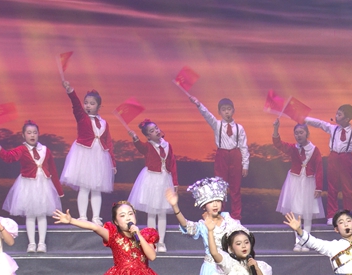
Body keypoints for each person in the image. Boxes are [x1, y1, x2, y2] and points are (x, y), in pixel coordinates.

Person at [0, 120, 64, 253]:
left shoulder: (45, 150)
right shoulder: (22, 149)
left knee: (42, 215)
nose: (32, 135)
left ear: (38, 134)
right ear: (23, 135)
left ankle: (42, 243)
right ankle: (32, 243)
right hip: (27, 185)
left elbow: (53, 170)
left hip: (43, 185)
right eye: (29, 133)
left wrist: (58, 191)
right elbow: (9, 157)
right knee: (30, 215)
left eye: (35, 133)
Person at [183, 93, 248, 220]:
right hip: (221, 156)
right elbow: (207, 115)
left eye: (229, 109)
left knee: (235, 188)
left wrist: (245, 165)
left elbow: (244, 146)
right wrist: (198, 104)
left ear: (233, 110)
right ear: (219, 112)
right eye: (223, 110)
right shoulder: (217, 125)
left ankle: (236, 217)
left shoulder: (239, 128)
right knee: (219, 187)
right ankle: (219, 215)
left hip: (235, 156)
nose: (227, 112)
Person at [59, 80, 115, 225]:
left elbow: (108, 143)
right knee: (84, 187)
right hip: (84, 155)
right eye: (86, 103)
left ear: (99, 106)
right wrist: (70, 91)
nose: (88, 105)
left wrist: (113, 163)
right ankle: (83, 216)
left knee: (96, 189)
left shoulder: (104, 123)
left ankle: (96, 217)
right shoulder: (82, 117)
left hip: (99, 157)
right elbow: (76, 106)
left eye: (92, 103)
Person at [305, 105, 352, 224]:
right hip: (333, 158)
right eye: (336, 114)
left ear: (347, 119)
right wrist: (305, 119)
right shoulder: (333, 129)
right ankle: (331, 215)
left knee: (347, 189)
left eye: (339, 115)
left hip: (346, 159)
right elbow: (320, 123)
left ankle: (348, 215)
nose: (336, 116)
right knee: (332, 188)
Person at [272, 117, 324, 251]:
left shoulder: (314, 149)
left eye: (301, 132)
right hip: (295, 182)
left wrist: (318, 187)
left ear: (307, 133)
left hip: (309, 182)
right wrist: (276, 128)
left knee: (308, 215)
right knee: (296, 214)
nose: (298, 135)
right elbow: (278, 144)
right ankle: (298, 242)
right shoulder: (293, 148)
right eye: (296, 133)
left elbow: (319, 169)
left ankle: (306, 242)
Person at [127, 119, 178, 252]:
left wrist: (175, 183)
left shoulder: (167, 145)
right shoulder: (148, 146)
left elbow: (172, 164)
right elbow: (140, 147)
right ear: (148, 136)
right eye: (152, 131)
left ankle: (161, 242)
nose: (156, 131)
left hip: (164, 181)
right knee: (151, 213)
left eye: (156, 128)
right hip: (151, 181)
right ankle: (152, 241)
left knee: (162, 212)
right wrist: (135, 138)